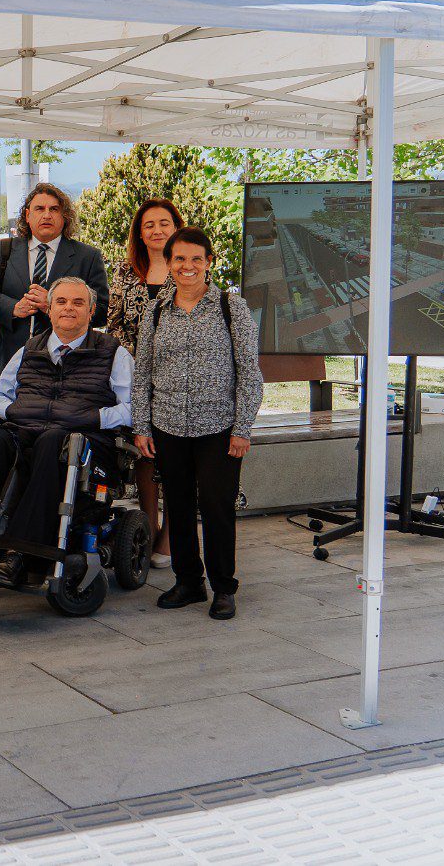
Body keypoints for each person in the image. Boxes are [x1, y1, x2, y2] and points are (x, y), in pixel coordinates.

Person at [133, 227, 263, 621]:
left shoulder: (230, 307)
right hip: (168, 425)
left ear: (209, 262)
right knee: (178, 505)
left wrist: (242, 428)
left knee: (217, 505)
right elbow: (142, 375)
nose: (187, 267)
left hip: (219, 427)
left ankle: (224, 587)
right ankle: (188, 582)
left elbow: (249, 373)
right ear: (169, 263)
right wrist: (142, 426)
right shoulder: (155, 311)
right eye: (179, 259)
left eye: (196, 259)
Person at [0, 276, 134, 588]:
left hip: (83, 443)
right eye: (61, 302)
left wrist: (93, 416)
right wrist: (12, 411)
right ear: (49, 310)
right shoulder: (28, 350)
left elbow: (133, 406)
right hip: (27, 431)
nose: (69, 308)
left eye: (78, 303)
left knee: (54, 441)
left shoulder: (113, 353)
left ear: (91, 313)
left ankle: (19, 553)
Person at [108, 198, 184, 571]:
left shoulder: (187, 269)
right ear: (139, 232)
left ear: (176, 228)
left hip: (177, 380)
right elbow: (115, 324)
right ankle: (150, 526)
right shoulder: (124, 271)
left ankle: (171, 534)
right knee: (144, 453)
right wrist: (131, 364)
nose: (156, 230)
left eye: (164, 223)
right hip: (134, 379)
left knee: (174, 457)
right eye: (149, 224)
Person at [0, 183, 110, 375]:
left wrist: (53, 305)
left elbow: (102, 311)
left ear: (64, 217)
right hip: (11, 363)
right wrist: (13, 308)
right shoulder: (2, 252)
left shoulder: (87, 257)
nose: (47, 215)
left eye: (54, 209)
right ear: (27, 216)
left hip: (69, 366)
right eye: (40, 209)